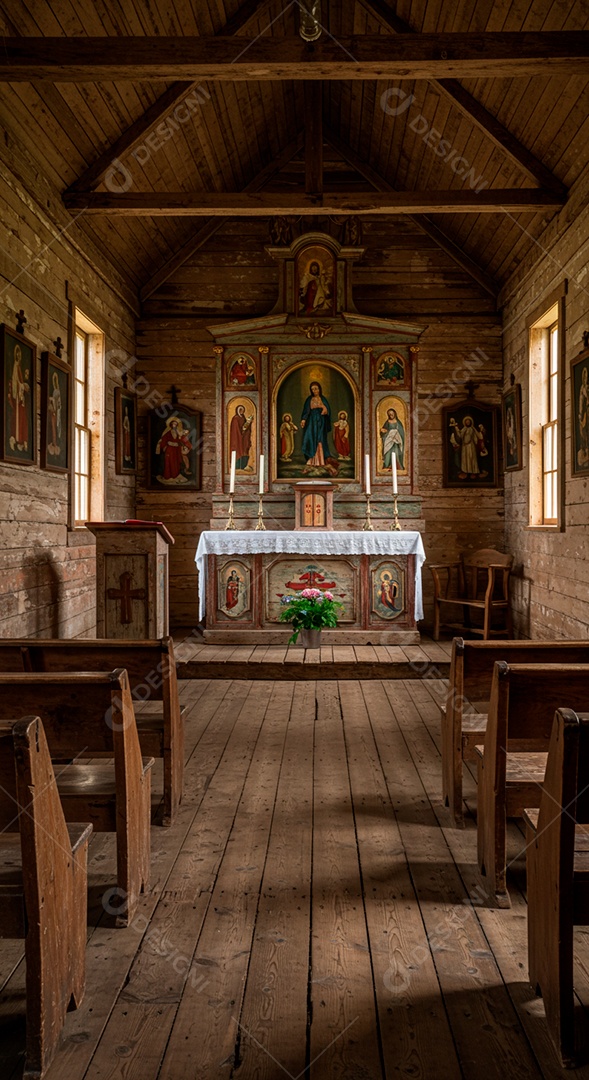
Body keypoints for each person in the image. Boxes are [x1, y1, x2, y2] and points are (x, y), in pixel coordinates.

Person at [300, 381, 331, 467]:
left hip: (321, 421)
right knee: (310, 437)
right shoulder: (309, 399)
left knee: (319, 438)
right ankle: (311, 459)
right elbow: (306, 411)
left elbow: (327, 410)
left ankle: (320, 461)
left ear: (319, 389)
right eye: (312, 389)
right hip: (311, 421)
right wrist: (303, 420)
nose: (314, 391)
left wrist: (325, 409)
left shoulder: (323, 399)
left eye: (316, 388)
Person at [155, 416, 193, 484]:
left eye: (175, 424)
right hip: (169, 449)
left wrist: (185, 445)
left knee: (176, 462)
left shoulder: (179, 433)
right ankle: (168, 476)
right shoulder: (168, 433)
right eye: (173, 424)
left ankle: (176, 475)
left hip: (176, 450)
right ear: (171, 425)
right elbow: (164, 440)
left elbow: (183, 439)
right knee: (169, 462)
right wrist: (166, 445)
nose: (174, 426)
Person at [7, 344, 30, 452]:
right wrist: (22, 386)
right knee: (16, 418)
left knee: (22, 419)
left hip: (21, 399)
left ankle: (21, 440)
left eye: (20, 355)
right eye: (17, 354)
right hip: (17, 398)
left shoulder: (19, 367)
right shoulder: (15, 367)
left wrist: (23, 385)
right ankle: (16, 439)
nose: (18, 356)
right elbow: (15, 382)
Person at [229, 403, 253, 470]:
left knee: (245, 450)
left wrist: (248, 423)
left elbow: (245, 427)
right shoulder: (235, 418)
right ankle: (237, 466)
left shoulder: (243, 418)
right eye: (241, 410)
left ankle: (243, 465)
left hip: (244, 438)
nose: (242, 411)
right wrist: (242, 431)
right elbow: (235, 429)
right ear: (238, 410)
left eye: (243, 410)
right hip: (237, 438)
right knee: (238, 450)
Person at [47, 370, 62, 456]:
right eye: (54, 381)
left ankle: (55, 442)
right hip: (54, 412)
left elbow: (59, 402)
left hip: (57, 411)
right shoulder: (54, 392)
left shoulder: (58, 391)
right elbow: (53, 401)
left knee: (55, 428)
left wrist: (57, 406)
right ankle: (53, 442)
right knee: (53, 427)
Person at [578, 365, 589, 464]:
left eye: (587, 378)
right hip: (584, 412)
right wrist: (581, 413)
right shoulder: (582, 388)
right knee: (583, 431)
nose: (586, 379)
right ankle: (585, 448)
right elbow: (581, 401)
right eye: (584, 377)